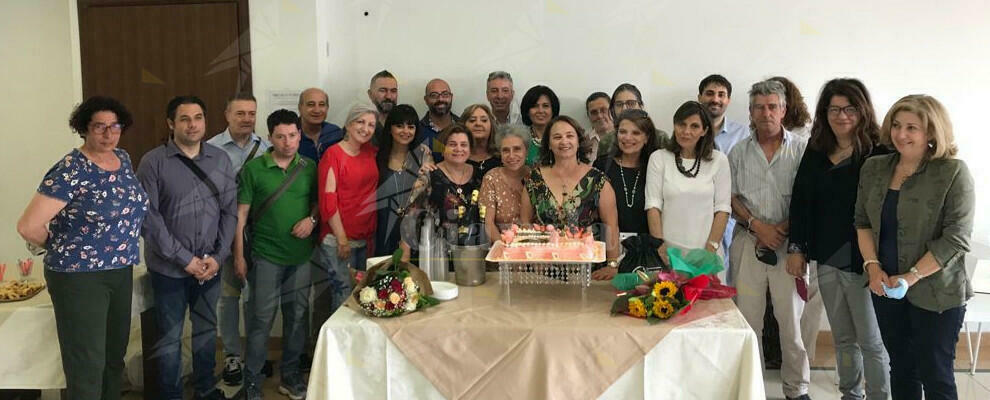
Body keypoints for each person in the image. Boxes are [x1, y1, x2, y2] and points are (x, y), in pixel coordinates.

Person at [17, 96, 148, 399]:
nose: (107, 133)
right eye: (99, 127)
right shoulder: (70, 169)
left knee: (114, 357)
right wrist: (60, 245)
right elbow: (28, 226)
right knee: (87, 363)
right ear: (84, 129)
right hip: (79, 276)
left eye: (114, 126)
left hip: (120, 270)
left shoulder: (123, 159)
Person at [856, 94, 974, 400]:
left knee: (935, 373)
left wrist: (911, 277)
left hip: (937, 292)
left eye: (912, 127)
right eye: (896, 125)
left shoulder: (952, 172)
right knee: (902, 367)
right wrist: (872, 267)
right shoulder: (874, 168)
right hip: (885, 286)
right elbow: (862, 222)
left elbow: (956, 238)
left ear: (932, 132)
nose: (901, 134)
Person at [789, 78, 891, 400]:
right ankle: (851, 393)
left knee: (871, 340)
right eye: (834, 109)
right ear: (824, 112)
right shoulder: (818, 149)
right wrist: (797, 247)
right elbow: (801, 201)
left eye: (849, 108)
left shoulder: (879, 151)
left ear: (862, 110)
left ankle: (879, 395)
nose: (842, 116)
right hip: (827, 255)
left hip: (865, 260)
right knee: (843, 337)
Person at [138, 95, 236, 400]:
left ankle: (205, 390)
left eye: (198, 118)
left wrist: (218, 258)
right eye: (184, 119)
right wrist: (185, 260)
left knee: (207, 332)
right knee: (169, 338)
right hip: (169, 269)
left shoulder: (220, 160)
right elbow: (148, 218)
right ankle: (171, 395)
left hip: (210, 267)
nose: (192, 125)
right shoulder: (153, 162)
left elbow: (229, 211)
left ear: (206, 121)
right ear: (171, 124)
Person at [728, 79, 810, 400]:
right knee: (749, 322)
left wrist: (780, 230)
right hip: (749, 242)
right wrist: (757, 226)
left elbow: (809, 200)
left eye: (772, 106)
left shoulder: (801, 150)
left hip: (790, 247)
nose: (766, 113)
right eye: (759, 107)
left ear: (784, 110)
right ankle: (753, 388)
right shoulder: (738, 152)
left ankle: (797, 388)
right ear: (750, 112)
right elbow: (730, 198)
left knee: (791, 324)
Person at [233, 109, 318, 400]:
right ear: (269, 137)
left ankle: (290, 377)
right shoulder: (253, 169)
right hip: (265, 256)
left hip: (301, 257)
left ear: (299, 135)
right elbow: (240, 217)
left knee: (297, 319)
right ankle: (252, 384)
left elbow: (318, 205)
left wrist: (313, 221)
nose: (287, 142)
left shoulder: (309, 167)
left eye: (292, 135)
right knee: (261, 321)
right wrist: (239, 256)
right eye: (280, 136)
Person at [206, 92, 269, 386]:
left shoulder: (267, 148)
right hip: (222, 234)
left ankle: (256, 353)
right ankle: (232, 355)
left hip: (260, 235)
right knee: (228, 298)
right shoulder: (210, 150)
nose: (247, 119)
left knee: (257, 298)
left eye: (251, 113)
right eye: (240, 113)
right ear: (227, 115)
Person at [519, 116, 620, 280]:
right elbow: (525, 224)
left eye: (570, 136)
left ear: (579, 141)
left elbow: (611, 227)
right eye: (557, 137)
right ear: (549, 144)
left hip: (588, 271)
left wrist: (612, 264)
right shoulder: (533, 180)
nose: (564, 141)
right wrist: (532, 258)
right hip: (543, 270)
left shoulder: (597, 180)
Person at [313, 104, 379, 341]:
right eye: (360, 122)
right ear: (349, 125)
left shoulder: (371, 152)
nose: (366, 128)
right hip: (339, 240)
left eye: (371, 124)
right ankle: (337, 352)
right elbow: (328, 200)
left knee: (363, 298)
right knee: (342, 298)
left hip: (365, 238)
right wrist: (342, 238)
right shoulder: (334, 154)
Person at [644, 102, 730, 268]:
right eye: (681, 124)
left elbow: (722, 209)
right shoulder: (659, 158)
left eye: (694, 126)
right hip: (668, 253)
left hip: (707, 252)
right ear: (674, 125)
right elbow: (653, 206)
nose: (686, 131)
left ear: (704, 130)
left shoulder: (719, 160)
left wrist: (710, 249)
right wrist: (660, 247)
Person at [399, 124, 483, 262]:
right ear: (442, 149)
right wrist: (404, 258)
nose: (458, 149)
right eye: (452, 144)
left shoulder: (479, 175)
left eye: (463, 145)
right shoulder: (429, 175)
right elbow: (409, 218)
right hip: (434, 256)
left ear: (470, 149)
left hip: (471, 255)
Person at [697, 74, 749, 279]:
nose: (715, 99)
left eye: (721, 94)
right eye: (709, 93)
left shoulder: (744, 134)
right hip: (695, 214)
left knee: (727, 278)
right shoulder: (687, 133)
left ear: (728, 100)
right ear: (700, 97)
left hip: (732, 218)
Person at [375, 104, 433, 256]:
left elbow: (427, 191)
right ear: (390, 128)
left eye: (411, 127)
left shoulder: (423, 156)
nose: (406, 131)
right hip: (382, 227)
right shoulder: (378, 156)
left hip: (414, 230)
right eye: (400, 126)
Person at [594, 109, 658, 234]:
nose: (628, 138)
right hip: (609, 243)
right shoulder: (602, 165)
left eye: (636, 133)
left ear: (646, 138)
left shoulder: (655, 167)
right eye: (622, 132)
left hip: (645, 246)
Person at [479, 124, 531, 242]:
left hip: (535, 247)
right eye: (506, 150)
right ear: (500, 154)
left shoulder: (536, 176)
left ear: (526, 151)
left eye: (517, 149)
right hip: (501, 247)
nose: (511, 155)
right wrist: (505, 249)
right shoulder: (491, 178)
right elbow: (488, 223)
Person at [610, 83, 669, 148]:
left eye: (631, 103)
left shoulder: (659, 138)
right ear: (613, 109)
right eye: (619, 104)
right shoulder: (608, 140)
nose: (624, 108)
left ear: (641, 106)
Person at [297, 87, 344, 161]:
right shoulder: (289, 134)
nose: (317, 110)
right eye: (311, 104)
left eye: (322, 104)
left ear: (327, 108)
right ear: (300, 107)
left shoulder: (336, 134)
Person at [418, 78, 459, 162]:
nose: (440, 99)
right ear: (426, 100)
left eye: (445, 94)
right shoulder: (417, 131)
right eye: (434, 95)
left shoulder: (464, 126)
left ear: (451, 97)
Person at [519, 85, 560, 166]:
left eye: (545, 106)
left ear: (553, 110)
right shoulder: (519, 139)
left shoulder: (562, 137)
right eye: (535, 106)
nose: (540, 111)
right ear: (527, 111)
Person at [462, 104, 502, 176]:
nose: (478, 123)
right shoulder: (454, 156)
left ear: (491, 125)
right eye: (472, 120)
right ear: (463, 125)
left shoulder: (503, 157)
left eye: (484, 120)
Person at [368, 70, 398, 145]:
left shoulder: (406, 124)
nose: (388, 96)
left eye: (393, 91)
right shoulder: (358, 125)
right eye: (383, 90)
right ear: (370, 94)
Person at [585, 92, 614, 160]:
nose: (599, 116)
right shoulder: (583, 143)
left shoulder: (624, 136)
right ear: (588, 116)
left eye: (604, 110)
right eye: (594, 112)